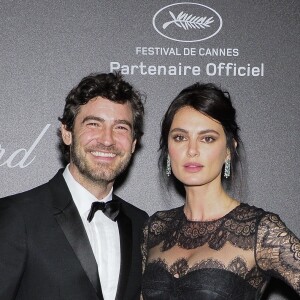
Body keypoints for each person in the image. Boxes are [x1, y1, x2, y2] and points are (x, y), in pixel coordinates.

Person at [141, 82, 300, 299]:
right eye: (180, 137)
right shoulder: (155, 228)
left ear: (228, 150)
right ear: (168, 149)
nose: (192, 150)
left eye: (207, 138)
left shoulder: (259, 231)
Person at [0, 72, 148, 300]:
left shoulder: (141, 224)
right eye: (93, 124)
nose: (107, 140)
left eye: (121, 128)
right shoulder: (16, 216)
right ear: (67, 133)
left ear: (133, 144)